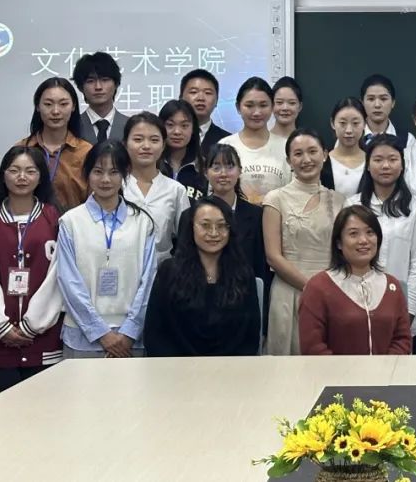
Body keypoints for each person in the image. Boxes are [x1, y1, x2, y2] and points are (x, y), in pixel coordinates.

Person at [0, 146, 63, 400]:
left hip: (44, 340)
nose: (22, 177)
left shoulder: (54, 218)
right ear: (3, 175)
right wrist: (1, 327)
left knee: (45, 411)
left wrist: (33, 325)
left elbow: (57, 276)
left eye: (30, 171)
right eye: (14, 170)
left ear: (41, 177)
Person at [56, 141, 157, 358]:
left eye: (114, 172)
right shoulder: (70, 222)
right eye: (98, 171)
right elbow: (68, 281)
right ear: (87, 174)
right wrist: (100, 332)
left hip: (130, 339)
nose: (105, 180)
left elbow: (148, 281)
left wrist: (129, 331)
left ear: (125, 174)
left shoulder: (142, 223)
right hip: (83, 337)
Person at [262, 129, 348, 355]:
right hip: (288, 292)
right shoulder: (275, 199)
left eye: (312, 151)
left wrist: (326, 292)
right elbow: (273, 256)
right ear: (289, 160)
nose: (306, 159)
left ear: (325, 155)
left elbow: (344, 253)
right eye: (298, 154)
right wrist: (312, 289)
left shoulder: (339, 201)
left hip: (332, 293)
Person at [144, 196, 260, 356]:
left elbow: (250, 338)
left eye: (221, 226)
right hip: (176, 367)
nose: (214, 233)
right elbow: (155, 334)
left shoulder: (243, 274)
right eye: (205, 225)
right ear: (191, 227)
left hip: (231, 367)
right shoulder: (169, 271)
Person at [298, 205, 412, 355]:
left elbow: (402, 339)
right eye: (353, 234)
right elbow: (313, 347)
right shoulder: (318, 287)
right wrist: (346, 370)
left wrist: (385, 367)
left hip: (387, 370)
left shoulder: (392, 286)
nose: (363, 240)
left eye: (370, 232)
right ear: (339, 243)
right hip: (334, 370)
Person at [348, 134, 416, 350]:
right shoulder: (352, 206)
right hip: (359, 306)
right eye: (378, 159)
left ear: (402, 165)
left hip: (404, 308)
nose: (385, 166)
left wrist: (408, 312)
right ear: (367, 165)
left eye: (392, 159)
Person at [200, 143, 270, 291]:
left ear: (240, 171)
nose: (223, 173)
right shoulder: (192, 214)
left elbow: (261, 265)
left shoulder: (256, 215)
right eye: (216, 167)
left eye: (230, 166)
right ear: (206, 172)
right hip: (202, 292)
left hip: (244, 293)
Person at [121, 112, 191, 260]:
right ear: (125, 143)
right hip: (122, 267)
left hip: (163, 270)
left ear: (163, 145)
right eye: (138, 139)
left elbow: (186, 239)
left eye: (154, 140)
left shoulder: (176, 190)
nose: (146, 146)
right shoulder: (116, 186)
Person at [18, 76, 91, 212]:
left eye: (63, 104)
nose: (56, 111)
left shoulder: (86, 152)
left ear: (73, 106)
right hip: (28, 223)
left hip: (75, 224)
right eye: (48, 104)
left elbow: (95, 200)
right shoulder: (21, 150)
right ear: (38, 106)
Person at [218, 77, 291, 205]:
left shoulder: (286, 147)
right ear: (238, 107)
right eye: (249, 105)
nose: (257, 112)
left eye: (263, 105)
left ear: (272, 107)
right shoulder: (225, 146)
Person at [72, 51, 128, 145]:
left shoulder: (131, 126)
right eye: (90, 81)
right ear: (80, 87)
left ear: (116, 84)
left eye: (105, 80)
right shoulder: (72, 126)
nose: (98, 87)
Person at [321, 97, 367, 198]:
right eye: (342, 123)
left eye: (355, 123)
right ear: (332, 123)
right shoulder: (322, 161)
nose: (349, 130)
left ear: (365, 124)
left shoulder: (372, 161)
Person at [158, 99, 203, 198]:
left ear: (193, 129)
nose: (177, 131)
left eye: (184, 126)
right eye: (170, 125)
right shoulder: (151, 165)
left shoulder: (204, 167)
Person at [180, 69, 231, 153]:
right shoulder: (166, 136)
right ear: (181, 98)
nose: (201, 98)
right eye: (193, 92)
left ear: (216, 101)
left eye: (208, 93)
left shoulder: (228, 141)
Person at [360, 73, 405, 141]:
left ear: (393, 102)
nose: (377, 105)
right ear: (362, 103)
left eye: (383, 99)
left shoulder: (407, 140)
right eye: (371, 99)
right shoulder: (352, 136)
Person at [270, 76, 303, 140]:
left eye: (292, 103)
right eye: (279, 102)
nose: (285, 108)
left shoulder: (307, 142)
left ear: (300, 106)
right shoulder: (261, 141)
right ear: (271, 105)